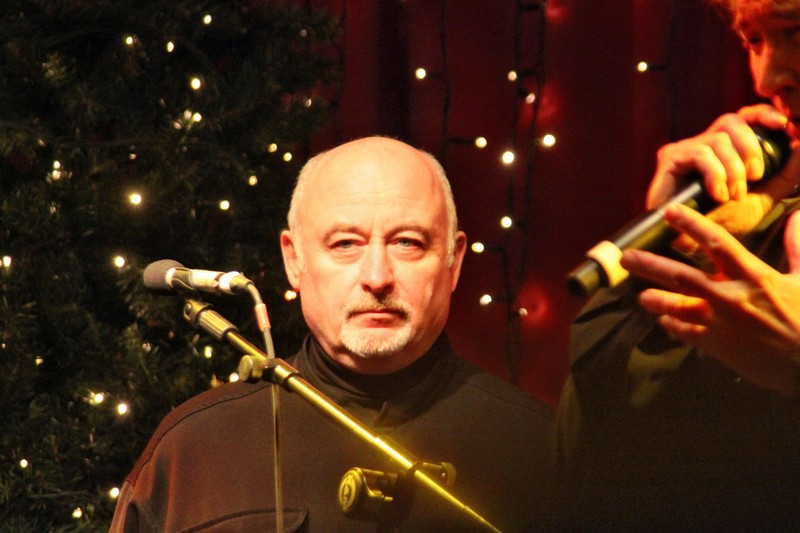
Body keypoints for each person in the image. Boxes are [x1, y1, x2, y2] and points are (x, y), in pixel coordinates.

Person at [110, 136, 557, 532]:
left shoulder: (542, 451)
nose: (377, 277)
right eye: (345, 244)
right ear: (294, 260)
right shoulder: (193, 450)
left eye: (407, 242)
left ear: (453, 261)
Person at [557, 1, 800, 530]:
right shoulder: (764, 223)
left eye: (794, 32)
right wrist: (673, 240)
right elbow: (594, 451)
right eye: (754, 41)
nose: (766, 79)